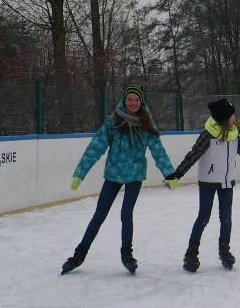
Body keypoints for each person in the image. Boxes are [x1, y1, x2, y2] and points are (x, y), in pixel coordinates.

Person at [62, 84, 177, 275]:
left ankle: (127, 255)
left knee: (126, 214)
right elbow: (95, 148)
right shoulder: (113, 122)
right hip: (113, 175)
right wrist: (79, 174)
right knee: (99, 215)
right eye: (130, 99)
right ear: (124, 100)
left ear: (141, 102)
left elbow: (158, 151)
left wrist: (169, 174)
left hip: (135, 176)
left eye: (137, 100)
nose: (133, 103)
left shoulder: (147, 123)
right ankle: (79, 254)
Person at [165, 98, 240, 272]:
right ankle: (191, 254)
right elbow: (193, 154)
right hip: (208, 183)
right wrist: (177, 174)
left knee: (226, 218)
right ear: (225, 118)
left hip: (227, 182)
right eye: (232, 114)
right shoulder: (208, 134)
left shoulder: (235, 133)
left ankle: (224, 250)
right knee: (203, 218)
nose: (235, 117)